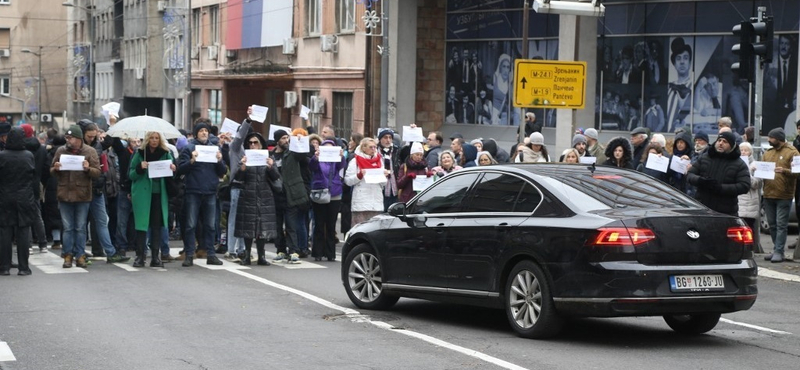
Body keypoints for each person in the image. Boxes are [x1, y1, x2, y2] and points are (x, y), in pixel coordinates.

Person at [177, 120, 228, 267]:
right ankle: (189, 254)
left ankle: (210, 254)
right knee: (191, 224)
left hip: (210, 191)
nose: (204, 133)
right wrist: (191, 160)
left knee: (211, 225)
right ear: (196, 134)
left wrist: (219, 161)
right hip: (193, 190)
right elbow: (180, 170)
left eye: (206, 131)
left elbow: (222, 171)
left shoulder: (214, 148)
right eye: (201, 131)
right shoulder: (189, 148)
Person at [51, 125, 101, 268]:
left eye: (71, 138)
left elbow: (97, 173)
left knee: (80, 227)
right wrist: (56, 168)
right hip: (64, 194)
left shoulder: (90, 151)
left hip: (82, 195)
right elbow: (51, 171)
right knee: (67, 228)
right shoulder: (61, 151)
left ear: (79, 139)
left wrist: (88, 169)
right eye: (67, 137)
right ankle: (67, 255)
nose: (68, 140)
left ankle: (80, 255)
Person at [78, 120, 129, 262]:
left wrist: (112, 127)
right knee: (81, 223)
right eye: (89, 136)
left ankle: (110, 252)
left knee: (102, 221)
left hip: (97, 189)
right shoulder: (76, 148)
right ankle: (79, 253)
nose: (92, 138)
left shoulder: (97, 146)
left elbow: (111, 141)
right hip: (82, 189)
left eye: (94, 136)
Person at [129, 132, 176, 268]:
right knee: (141, 226)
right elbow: (131, 175)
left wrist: (173, 169)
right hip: (143, 195)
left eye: (156, 138)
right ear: (147, 140)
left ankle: (155, 257)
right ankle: (140, 256)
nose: (154, 141)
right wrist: (139, 168)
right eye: (151, 138)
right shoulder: (139, 153)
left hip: (159, 194)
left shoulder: (166, 153)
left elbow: (172, 174)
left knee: (156, 226)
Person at [235, 130, 280, 266]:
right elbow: (238, 178)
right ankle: (247, 255)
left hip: (265, 195)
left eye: (255, 142)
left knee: (262, 227)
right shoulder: (245, 157)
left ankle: (261, 255)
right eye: (250, 143)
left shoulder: (268, 157)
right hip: (248, 195)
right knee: (248, 228)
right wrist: (242, 167)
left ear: (261, 144)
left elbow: (276, 176)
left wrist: (271, 167)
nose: (253, 145)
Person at [0, 127, 38, 276]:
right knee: (23, 232)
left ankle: (4, 266)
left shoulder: (2, 156)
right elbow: (33, 178)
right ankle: (24, 267)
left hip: (5, 197)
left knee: (5, 232)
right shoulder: (28, 155)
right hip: (25, 197)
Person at [270, 129, 310, 264]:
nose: (286, 141)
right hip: (276, 195)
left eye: (287, 138)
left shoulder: (292, 153)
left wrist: (301, 141)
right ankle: (280, 250)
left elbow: (303, 155)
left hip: (290, 194)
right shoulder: (271, 156)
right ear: (277, 141)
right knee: (277, 225)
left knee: (291, 225)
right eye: (283, 138)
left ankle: (293, 251)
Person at [686, 131, 749, 216]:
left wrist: (721, 188)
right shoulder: (705, 158)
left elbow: (744, 186)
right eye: (719, 140)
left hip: (726, 212)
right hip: (702, 209)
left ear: (732, 146)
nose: (721, 143)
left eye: (725, 141)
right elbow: (690, 175)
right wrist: (700, 180)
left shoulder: (739, 164)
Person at [761, 128, 800, 263]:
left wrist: (785, 171)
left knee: (781, 224)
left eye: (771, 138)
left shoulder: (792, 152)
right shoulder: (768, 152)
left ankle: (779, 251)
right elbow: (762, 170)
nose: (768, 140)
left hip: (784, 194)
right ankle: (776, 248)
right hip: (768, 193)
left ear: (778, 138)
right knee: (772, 224)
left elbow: (798, 172)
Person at [309, 139, 346, 262]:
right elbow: (312, 167)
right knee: (319, 224)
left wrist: (341, 157)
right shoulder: (318, 159)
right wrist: (316, 157)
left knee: (331, 225)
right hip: (320, 192)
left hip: (334, 193)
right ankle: (317, 252)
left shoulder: (336, 161)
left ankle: (331, 253)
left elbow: (341, 167)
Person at [345, 137, 387, 226]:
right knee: (359, 228)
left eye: (375, 147)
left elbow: (383, 184)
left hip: (376, 201)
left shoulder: (379, 160)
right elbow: (348, 181)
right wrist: (359, 176)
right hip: (361, 202)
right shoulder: (355, 161)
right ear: (363, 148)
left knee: (375, 229)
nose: (373, 149)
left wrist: (384, 176)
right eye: (370, 147)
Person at [738, 142, 763, 253]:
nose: (743, 152)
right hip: (737, 200)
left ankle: (749, 250)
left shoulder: (755, 165)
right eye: (741, 150)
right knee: (738, 228)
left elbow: (757, 184)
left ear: (750, 152)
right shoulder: (736, 163)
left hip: (749, 202)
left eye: (746, 150)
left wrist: (747, 172)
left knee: (748, 227)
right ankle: (739, 249)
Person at [377, 129, 400, 211]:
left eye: (390, 138)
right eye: (385, 137)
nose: (388, 140)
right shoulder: (375, 151)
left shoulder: (396, 150)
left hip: (393, 186)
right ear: (380, 139)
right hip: (380, 186)